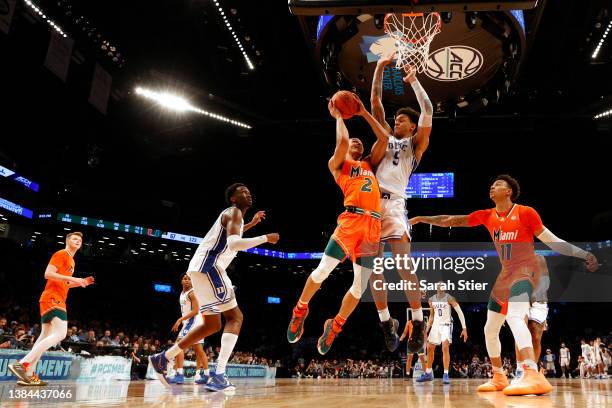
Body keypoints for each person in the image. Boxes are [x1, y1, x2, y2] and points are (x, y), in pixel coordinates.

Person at [410, 175, 599, 395]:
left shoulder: (526, 213)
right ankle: (499, 376)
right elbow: (452, 219)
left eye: (498, 185)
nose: (492, 186)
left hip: (526, 271)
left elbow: (552, 241)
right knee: (490, 328)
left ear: (509, 192)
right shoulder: (488, 215)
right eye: (492, 184)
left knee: (515, 316)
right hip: (505, 275)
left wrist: (584, 254)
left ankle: (531, 372)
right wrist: (423, 218)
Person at [286, 96, 391, 355]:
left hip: (373, 227)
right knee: (322, 272)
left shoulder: (370, 165)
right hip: (351, 221)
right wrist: (339, 117)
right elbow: (343, 141)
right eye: (353, 141)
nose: (356, 142)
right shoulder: (338, 165)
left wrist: (364, 112)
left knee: (359, 287)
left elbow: (385, 139)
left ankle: (335, 326)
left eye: (359, 142)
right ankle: (300, 310)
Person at [149, 184, 279, 391]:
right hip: (210, 267)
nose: (248, 193)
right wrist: (266, 238)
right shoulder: (234, 212)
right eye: (242, 191)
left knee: (211, 325)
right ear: (233, 199)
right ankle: (218, 375)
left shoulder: (234, 216)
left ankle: (163, 358)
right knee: (235, 318)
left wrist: (253, 223)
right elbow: (235, 244)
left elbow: (232, 237)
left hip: (198, 270)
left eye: (248, 190)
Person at [369, 52, 433, 353]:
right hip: (369, 206)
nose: (397, 122)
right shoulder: (385, 136)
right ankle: (385, 322)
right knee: (373, 268)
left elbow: (429, 110)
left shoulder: (415, 146)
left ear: (411, 127)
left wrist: (413, 80)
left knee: (403, 263)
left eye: (402, 120)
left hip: (394, 204)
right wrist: (380, 67)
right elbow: (376, 105)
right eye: (396, 119)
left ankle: (418, 322)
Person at [8, 232, 94, 386]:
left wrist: (80, 283)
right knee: (60, 333)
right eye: (74, 238)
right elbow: (48, 274)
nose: (78, 241)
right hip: (53, 298)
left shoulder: (72, 261)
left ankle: (27, 374)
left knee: (44, 337)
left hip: (53, 298)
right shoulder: (61, 254)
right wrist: (73, 278)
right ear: (67, 241)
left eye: (80, 240)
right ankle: (23, 364)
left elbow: (64, 283)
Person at [416, 283, 468, 384]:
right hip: (435, 325)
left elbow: (459, 312)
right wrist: (426, 329)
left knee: (445, 347)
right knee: (429, 348)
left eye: (442, 285)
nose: (440, 286)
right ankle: (428, 373)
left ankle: (446, 374)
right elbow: (431, 316)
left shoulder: (449, 298)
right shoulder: (431, 299)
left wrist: (464, 328)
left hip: (446, 324)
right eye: (439, 285)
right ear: (436, 287)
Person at [167, 273, 210, 384]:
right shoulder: (182, 293)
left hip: (194, 321)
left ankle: (179, 374)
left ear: (192, 282)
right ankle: (206, 375)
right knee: (199, 350)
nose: (186, 281)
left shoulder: (192, 293)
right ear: (181, 281)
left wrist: (180, 320)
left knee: (178, 345)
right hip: (195, 322)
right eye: (184, 279)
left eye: (189, 279)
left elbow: (195, 311)